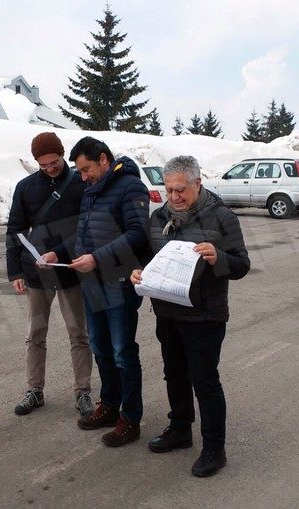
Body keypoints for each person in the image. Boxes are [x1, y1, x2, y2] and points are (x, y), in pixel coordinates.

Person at [130, 155, 250, 477]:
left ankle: (214, 448)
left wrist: (218, 257)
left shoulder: (222, 217)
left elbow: (241, 265)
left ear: (198, 183)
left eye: (181, 189)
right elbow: (146, 257)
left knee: (205, 381)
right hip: (167, 312)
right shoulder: (159, 218)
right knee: (174, 374)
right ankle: (181, 429)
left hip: (205, 316)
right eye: (169, 190)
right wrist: (138, 272)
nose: (174, 197)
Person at [42, 137, 151, 447]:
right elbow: (84, 233)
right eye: (79, 171)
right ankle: (109, 405)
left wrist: (96, 259)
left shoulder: (131, 187)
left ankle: (130, 418)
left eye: (87, 169)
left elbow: (138, 235)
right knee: (101, 349)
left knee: (122, 353)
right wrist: (58, 253)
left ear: (104, 159)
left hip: (118, 284)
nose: (83, 176)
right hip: (93, 286)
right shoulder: (91, 189)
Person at [5, 132, 94, 418]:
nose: (50, 168)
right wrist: (15, 270)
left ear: (61, 155)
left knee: (78, 334)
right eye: (43, 165)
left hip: (70, 270)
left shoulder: (80, 183)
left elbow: (86, 227)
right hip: (37, 273)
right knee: (35, 334)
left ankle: (83, 393)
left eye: (54, 162)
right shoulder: (26, 187)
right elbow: (15, 230)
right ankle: (34, 390)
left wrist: (60, 252)